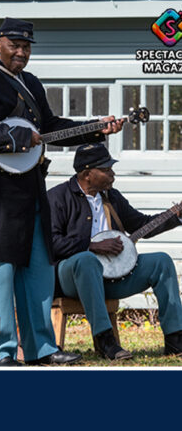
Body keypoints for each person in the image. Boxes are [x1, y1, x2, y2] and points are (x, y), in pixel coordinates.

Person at [0, 17, 124, 366]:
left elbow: (51, 128)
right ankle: (3, 352)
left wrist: (95, 129)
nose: (21, 52)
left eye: (26, 47)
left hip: (30, 191)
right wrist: (16, 137)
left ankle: (42, 348)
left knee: (39, 272)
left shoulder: (30, 83)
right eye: (15, 45)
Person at [48, 143, 182, 360]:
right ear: (87, 174)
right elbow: (51, 242)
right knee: (86, 260)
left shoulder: (112, 196)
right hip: (72, 278)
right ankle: (105, 341)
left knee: (161, 261)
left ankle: (176, 339)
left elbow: (141, 224)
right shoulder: (57, 197)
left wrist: (175, 215)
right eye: (106, 169)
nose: (112, 174)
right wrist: (91, 245)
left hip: (113, 277)